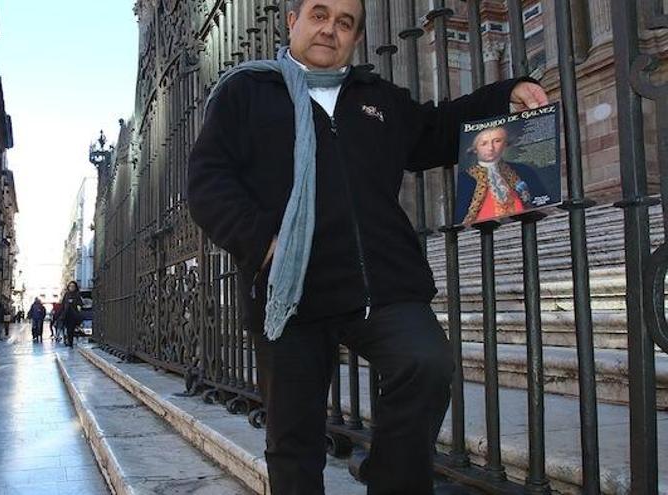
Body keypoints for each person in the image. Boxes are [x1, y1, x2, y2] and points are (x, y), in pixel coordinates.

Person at [186, 1, 548, 494]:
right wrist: (263, 244)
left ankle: (390, 479)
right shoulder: (247, 92)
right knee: (294, 437)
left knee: (426, 362)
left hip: (379, 282)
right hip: (288, 290)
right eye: (319, 15)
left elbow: (438, 130)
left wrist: (506, 94)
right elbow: (208, 181)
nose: (330, 29)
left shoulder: (376, 97)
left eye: (345, 23)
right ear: (292, 21)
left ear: (355, 38)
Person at [456, 126, 549, 225]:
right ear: (475, 149)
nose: (491, 148)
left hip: (524, 224)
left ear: (505, 145)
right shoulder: (465, 178)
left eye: (497, 141)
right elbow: (461, 215)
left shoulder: (523, 170)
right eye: (484, 143)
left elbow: (542, 201)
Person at [59, 282, 83, 348]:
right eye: (70, 286)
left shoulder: (77, 295)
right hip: (66, 314)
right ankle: (69, 341)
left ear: (75, 287)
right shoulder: (66, 294)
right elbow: (63, 305)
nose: (71, 288)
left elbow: (80, 304)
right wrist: (61, 314)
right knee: (68, 329)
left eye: (73, 286)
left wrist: (75, 304)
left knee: (71, 329)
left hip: (74, 315)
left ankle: (70, 342)